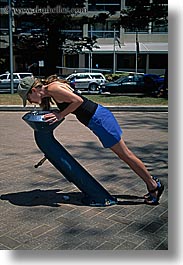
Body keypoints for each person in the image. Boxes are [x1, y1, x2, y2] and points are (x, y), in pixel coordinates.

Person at [17, 75, 164, 205]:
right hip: (98, 118)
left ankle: (153, 185)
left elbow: (78, 100)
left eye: (28, 98)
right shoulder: (51, 89)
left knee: (126, 155)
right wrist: (60, 111)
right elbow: (71, 101)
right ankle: (152, 184)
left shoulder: (53, 88)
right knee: (125, 155)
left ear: (34, 90)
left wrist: (61, 115)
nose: (30, 102)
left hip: (99, 120)